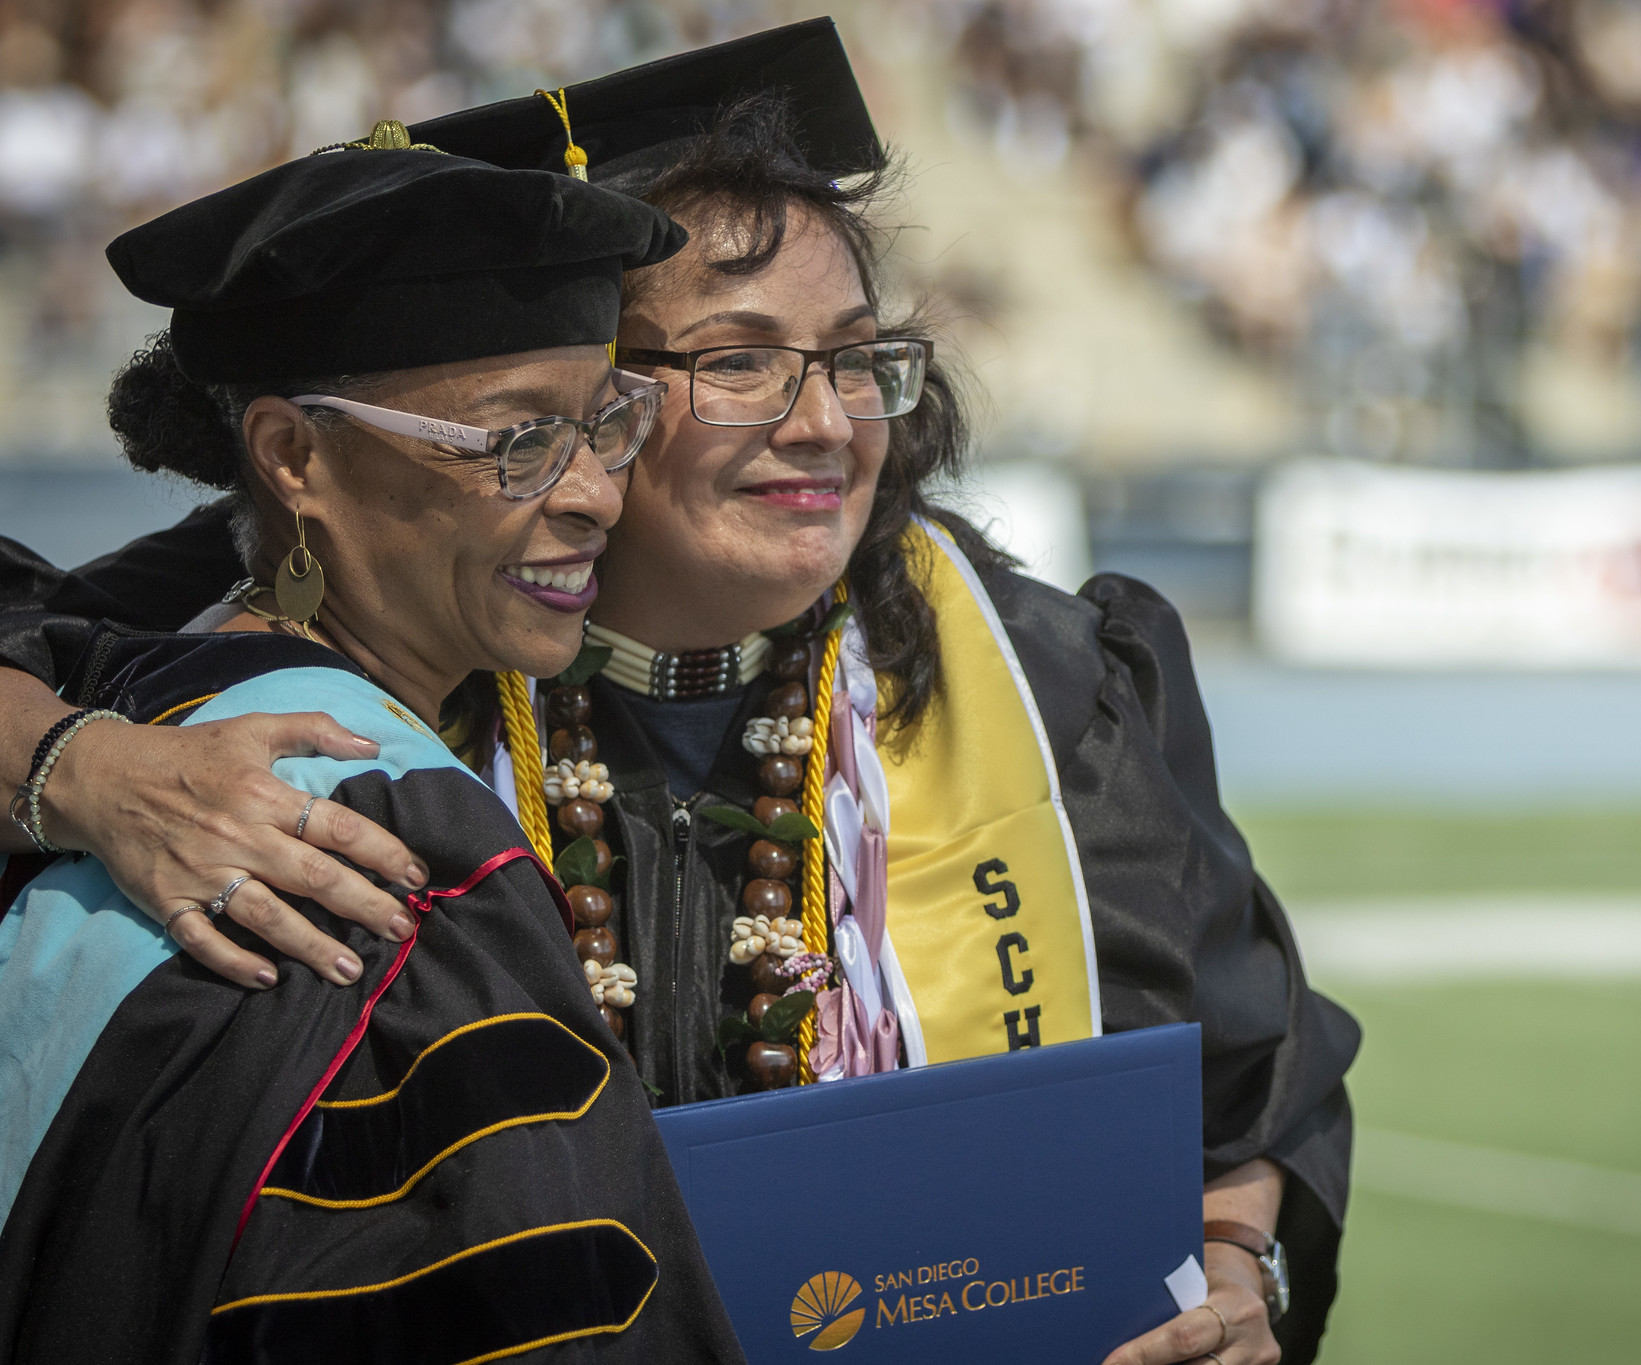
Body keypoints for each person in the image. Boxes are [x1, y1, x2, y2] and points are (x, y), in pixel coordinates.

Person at [0, 23, 1360, 1364]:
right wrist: (75, 764)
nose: (824, 421)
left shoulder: (1037, 678)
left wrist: (1244, 1268)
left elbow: (1254, 1101)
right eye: (740, 362)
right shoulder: (360, 615)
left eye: (852, 356)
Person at [0, 131, 747, 1364]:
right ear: (296, 457)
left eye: (605, 423)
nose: (596, 495)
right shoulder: (358, 841)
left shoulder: (115, 707)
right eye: (516, 443)